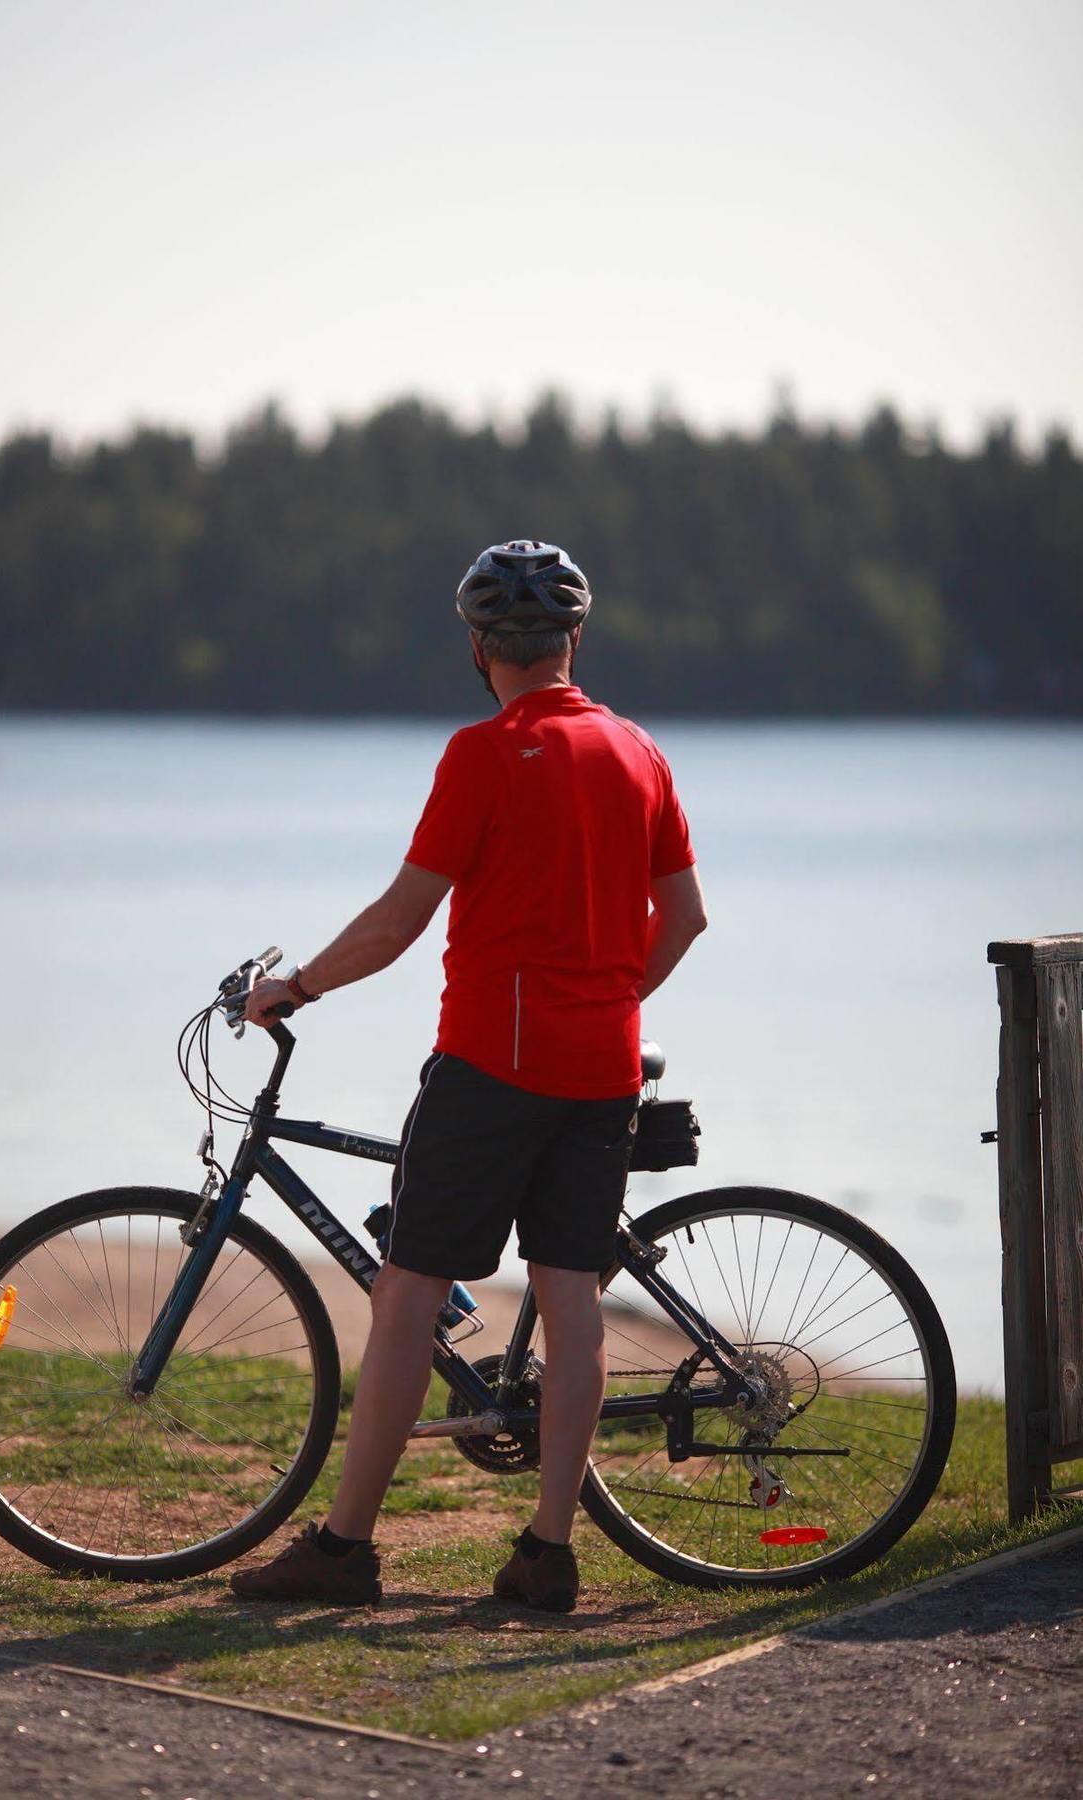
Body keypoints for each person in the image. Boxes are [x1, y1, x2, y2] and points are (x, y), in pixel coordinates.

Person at [231, 539, 707, 1612]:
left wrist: (293, 986)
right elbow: (683, 917)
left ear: (479, 647)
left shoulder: (482, 755)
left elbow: (399, 922)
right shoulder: (639, 752)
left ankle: (343, 1553)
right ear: (572, 640)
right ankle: (547, 1555)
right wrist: (606, 1001)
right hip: (600, 1071)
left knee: (403, 1297)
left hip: (491, 1068)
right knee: (569, 1297)